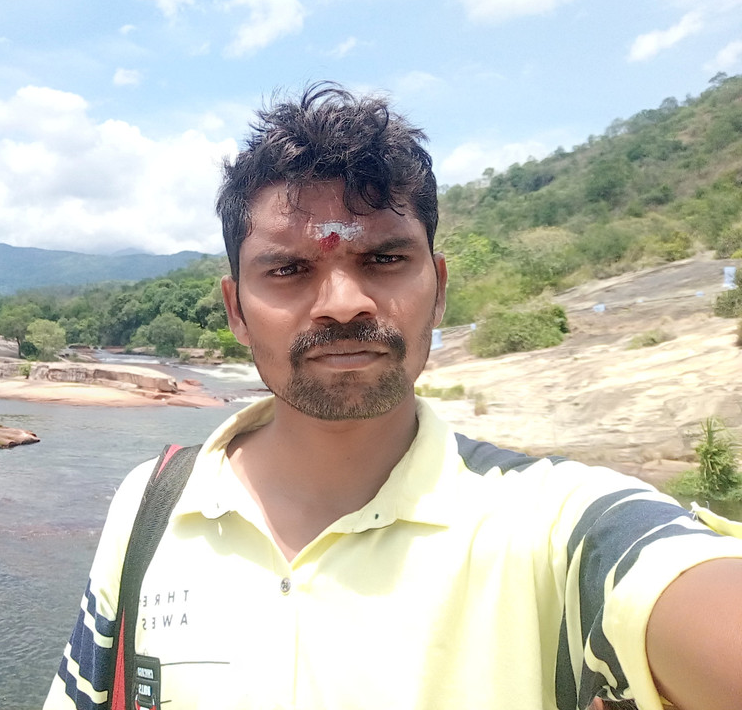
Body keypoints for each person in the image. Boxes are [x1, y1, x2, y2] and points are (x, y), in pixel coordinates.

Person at [44, 84, 742, 710]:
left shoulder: (556, 527)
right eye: (287, 269)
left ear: (436, 287)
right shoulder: (153, 503)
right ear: (235, 308)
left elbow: (683, 589)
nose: (343, 304)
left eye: (383, 259)